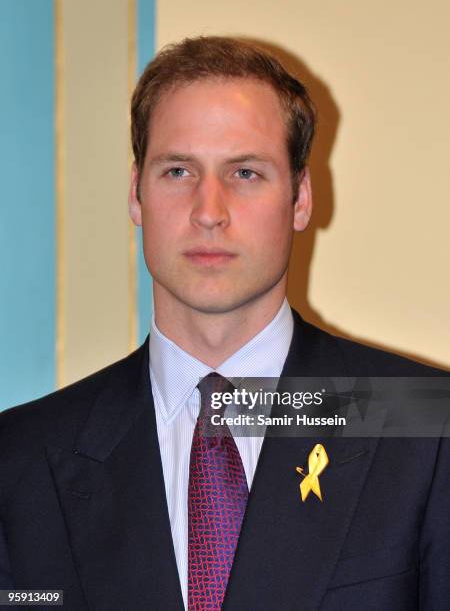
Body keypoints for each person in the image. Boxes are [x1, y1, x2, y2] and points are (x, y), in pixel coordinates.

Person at [0, 36, 448, 611]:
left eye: (245, 172)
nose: (208, 211)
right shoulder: (19, 462)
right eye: (179, 169)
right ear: (136, 194)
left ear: (301, 198)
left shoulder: (429, 433)